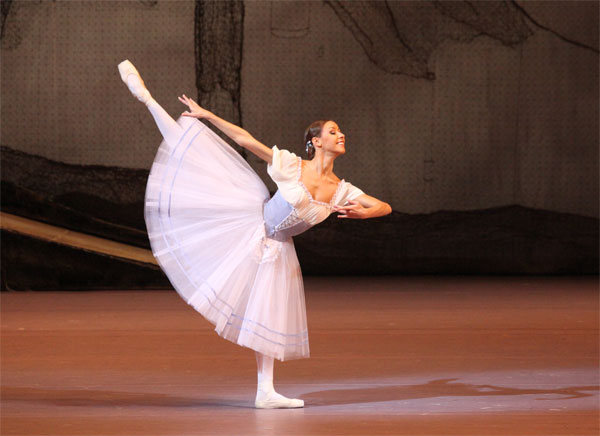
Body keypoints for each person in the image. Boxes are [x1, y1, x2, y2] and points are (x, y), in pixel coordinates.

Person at [117, 60, 392, 409]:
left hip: (277, 248)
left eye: (341, 132)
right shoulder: (292, 166)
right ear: (316, 141)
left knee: (267, 313)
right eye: (334, 131)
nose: (341, 135)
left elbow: (384, 206)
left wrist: (364, 211)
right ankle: (147, 98)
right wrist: (207, 115)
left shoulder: (341, 191)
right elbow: (246, 140)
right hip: (247, 224)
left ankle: (266, 391)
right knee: (198, 162)